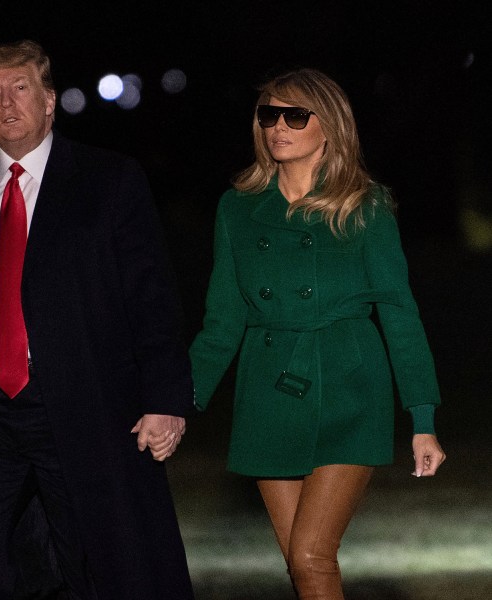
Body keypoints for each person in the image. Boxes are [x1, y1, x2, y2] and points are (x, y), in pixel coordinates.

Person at [0, 39, 195, 599]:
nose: (7, 103)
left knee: (92, 555)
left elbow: (151, 297)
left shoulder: (108, 180)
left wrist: (165, 400)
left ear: (50, 101)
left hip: (81, 397)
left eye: (20, 88)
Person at [188, 68, 446, 599]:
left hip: (348, 385)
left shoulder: (363, 205)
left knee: (310, 554)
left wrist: (422, 418)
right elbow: (222, 320)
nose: (278, 127)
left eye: (295, 115)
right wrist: (177, 401)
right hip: (267, 390)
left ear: (329, 127)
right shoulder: (237, 209)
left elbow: (399, 311)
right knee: (302, 566)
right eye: (268, 115)